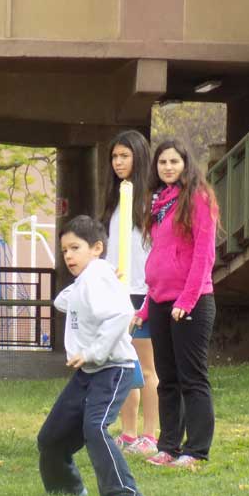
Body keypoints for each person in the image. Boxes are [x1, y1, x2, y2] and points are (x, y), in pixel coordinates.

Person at [37, 215, 148, 496]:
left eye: (75, 248)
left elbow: (121, 315)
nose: (68, 256)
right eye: (65, 251)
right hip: (88, 373)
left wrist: (92, 353)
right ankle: (67, 492)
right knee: (51, 438)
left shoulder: (97, 275)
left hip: (113, 369)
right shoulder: (91, 279)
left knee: (95, 427)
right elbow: (62, 302)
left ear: (97, 248)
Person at [135, 139, 219, 468]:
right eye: (162, 163)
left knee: (192, 378)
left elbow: (204, 255)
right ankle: (168, 445)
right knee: (167, 378)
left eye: (174, 161)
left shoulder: (198, 198)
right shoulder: (158, 202)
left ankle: (196, 450)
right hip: (159, 300)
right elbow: (157, 258)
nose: (168, 167)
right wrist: (145, 307)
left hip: (192, 303)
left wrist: (187, 299)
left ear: (186, 164)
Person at [101, 130, 159, 456]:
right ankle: (128, 432)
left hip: (144, 295)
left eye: (124, 156)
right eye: (114, 157)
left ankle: (150, 435)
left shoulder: (153, 202)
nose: (119, 162)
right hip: (116, 295)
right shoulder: (114, 203)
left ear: (138, 157)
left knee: (147, 367)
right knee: (124, 365)